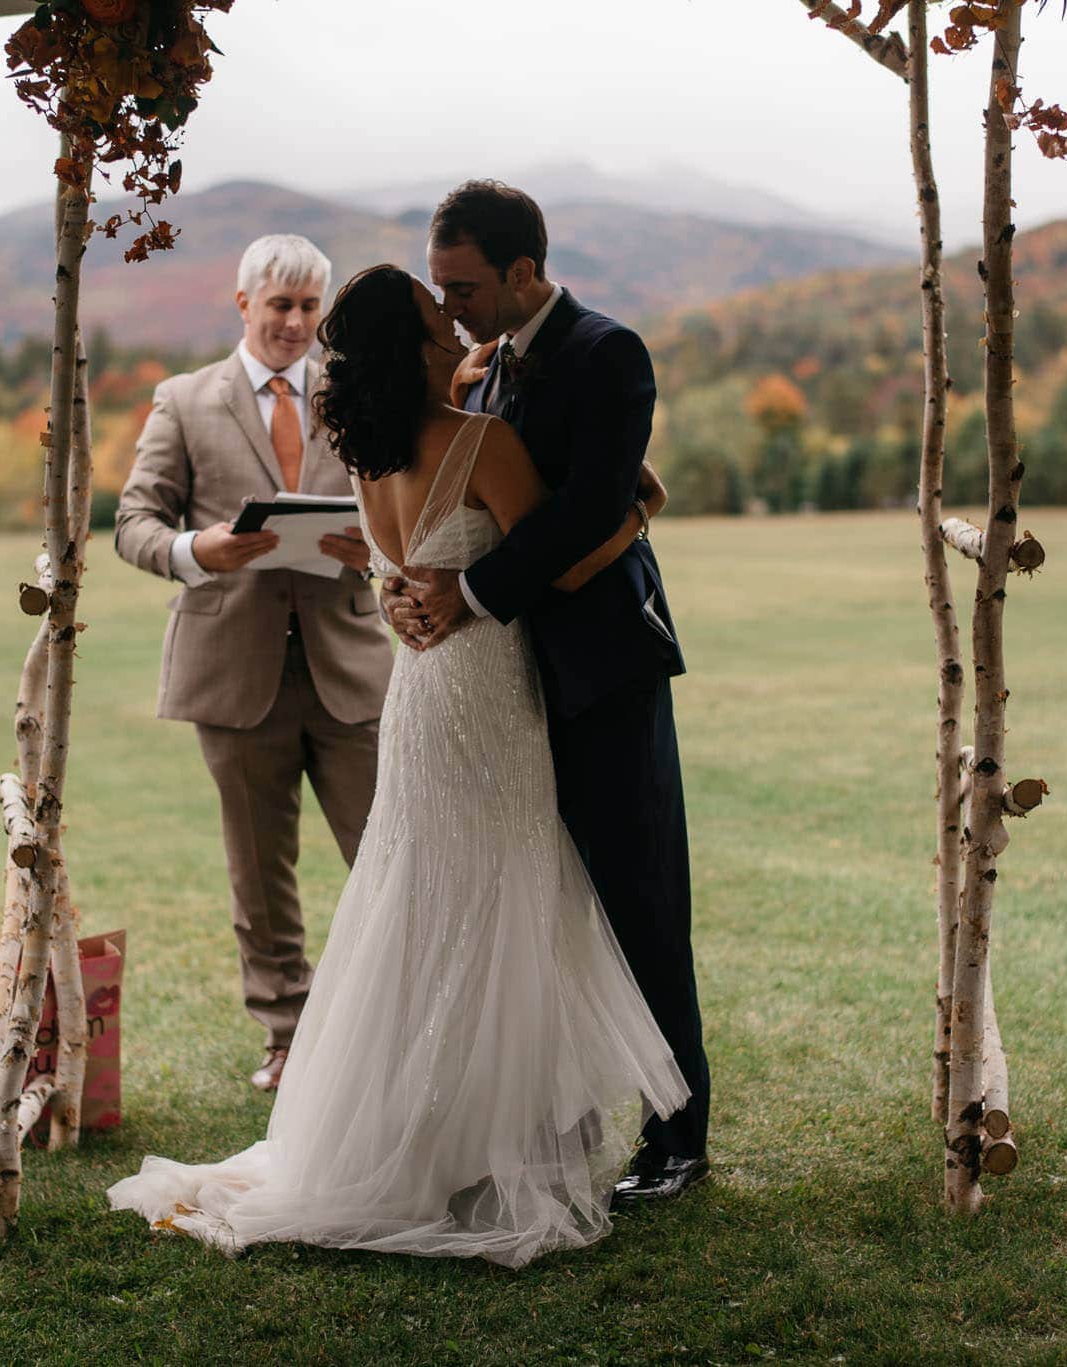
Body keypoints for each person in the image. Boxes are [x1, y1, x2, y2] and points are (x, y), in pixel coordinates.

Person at [107, 265, 684, 1268]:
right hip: (485, 694)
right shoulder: (479, 442)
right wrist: (636, 508)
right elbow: (563, 553)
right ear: (411, 345)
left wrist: (409, 593)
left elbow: (399, 570)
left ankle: (421, 1133)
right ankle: (491, 1136)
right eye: (430, 318)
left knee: (421, 903)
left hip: (418, 694)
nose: (446, 326)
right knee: (501, 894)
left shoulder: (367, 456)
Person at [389, 181, 710, 1202]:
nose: (449, 309)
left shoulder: (606, 352)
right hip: (508, 693)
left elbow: (583, 513)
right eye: (439, 290)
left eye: (464, 287)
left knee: (640, 900)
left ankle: (677, 1135)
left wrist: (467, 590)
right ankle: (548, 1122)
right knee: (533, 907)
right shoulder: (482, 369)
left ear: (524, 271)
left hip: (600, 672)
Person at [113, 235, 392, 1093]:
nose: (297, 323)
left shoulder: (358, 397)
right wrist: (205, 550)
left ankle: (399, 1019)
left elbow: (403, 507)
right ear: (244, 305)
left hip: (349, 662)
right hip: (233, 669)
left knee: (390, 853)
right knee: (259, 873)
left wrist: (371, 546)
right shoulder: (185, 400)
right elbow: (134, 522)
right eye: (282, 306)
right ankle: (287, 1034)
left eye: (312, 307)